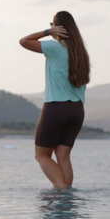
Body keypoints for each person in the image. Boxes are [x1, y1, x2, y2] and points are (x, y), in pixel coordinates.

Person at [19, 10, 91, 190]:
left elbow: (24, 41)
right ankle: (67, 200)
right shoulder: (81, 53)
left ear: (58, 28)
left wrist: (46, 32)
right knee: (63, 155)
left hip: (56, 109)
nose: (51, 28)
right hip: (76, 111)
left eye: (53, 25)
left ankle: (61, 191)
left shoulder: (54, 47)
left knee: (41, 155)